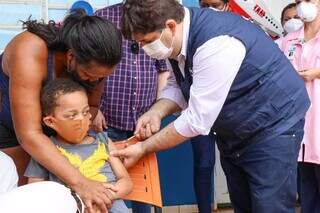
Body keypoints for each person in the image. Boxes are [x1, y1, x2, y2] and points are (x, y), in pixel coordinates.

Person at [111, 0, 310, 212]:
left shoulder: (215, 43)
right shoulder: (175, 41)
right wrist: (156, 112)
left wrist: (143, 147)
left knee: (269, 206)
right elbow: (178, 85)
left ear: (170, 26)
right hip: (236, 130)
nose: (144, 49)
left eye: (147, 42)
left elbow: (196, 121)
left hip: (273, 125)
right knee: (243, 204)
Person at [0, 10, 122, 212]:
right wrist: (81, 182)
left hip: (53, 130)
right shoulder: (30, 49)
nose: (95, 81)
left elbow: (91, 107)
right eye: (89, 75)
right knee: (18, 194)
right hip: (9, 127)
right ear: (71, 56)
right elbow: (29, 135)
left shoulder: (96, 64)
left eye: (101, 77)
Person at [94, 3, 168, 213]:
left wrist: (156, 110)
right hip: (108, 122)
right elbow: (89, 62)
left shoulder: (157, 18)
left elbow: (163, 70)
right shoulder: (104, 17)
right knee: (108, 186)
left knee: (142, 189)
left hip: (143, 125)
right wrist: (93, 108)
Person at [24, 79, 132, 212]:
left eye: (85, 112)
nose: (81, 119)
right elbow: (34, 192)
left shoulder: (103, 141)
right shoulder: (46, 150)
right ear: (51, 122)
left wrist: (102, 198)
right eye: (72, 115)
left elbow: (125, 182)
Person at [280, 0, 320, 212]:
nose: (305, 5)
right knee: (307, 190)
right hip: (298, 123)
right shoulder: (290, 40)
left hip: (319, 122)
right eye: (301, 0)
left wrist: (317, 73)